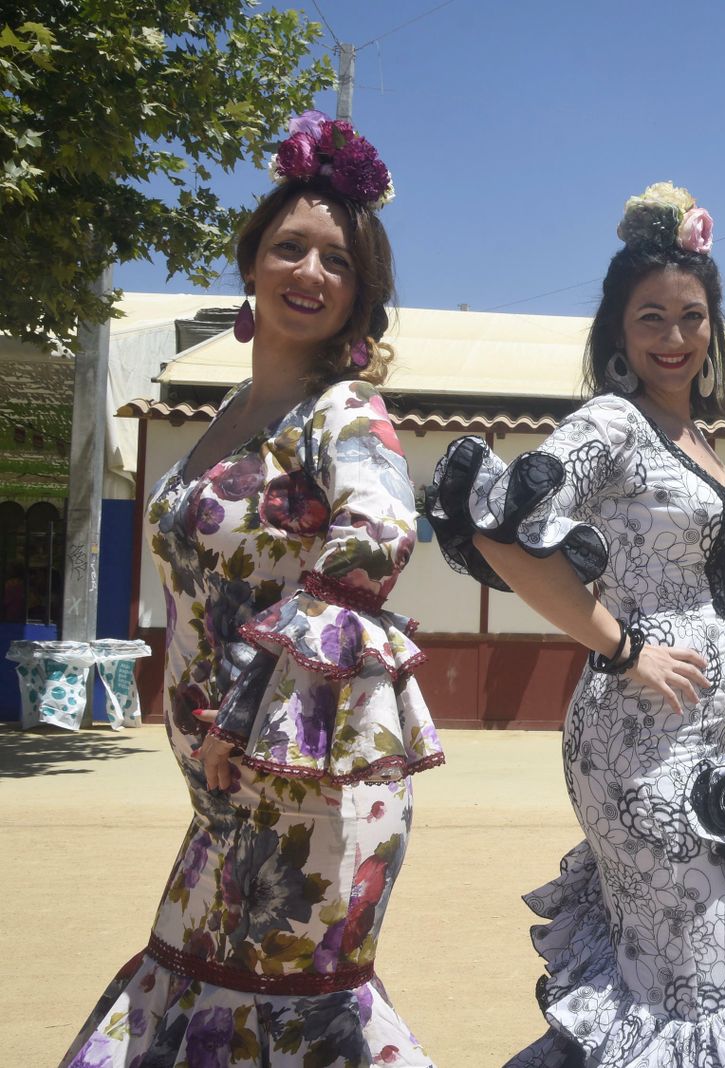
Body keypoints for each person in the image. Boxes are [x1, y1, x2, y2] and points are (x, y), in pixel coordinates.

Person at [61, 111, 442, 1067]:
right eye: (290, 248)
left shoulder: (343, 410)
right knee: (202, 983)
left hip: (311, 779)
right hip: (223, 782)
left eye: (337, 262)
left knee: (283, 1004)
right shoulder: (228, 415)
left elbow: (381, 536)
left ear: (361, 299)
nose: (310, 272)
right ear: (252, 265)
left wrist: (243, 705)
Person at [425, 182, 725, 1067]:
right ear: (616, 333)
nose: (674, 339)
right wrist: (623, 645)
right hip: (635, 748)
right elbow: (496, 525)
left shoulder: (694, 438)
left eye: (691, 316)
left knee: (679, 966)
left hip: (698, 749)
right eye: (651, 318)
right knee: (690, 980)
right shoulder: (613, 422)